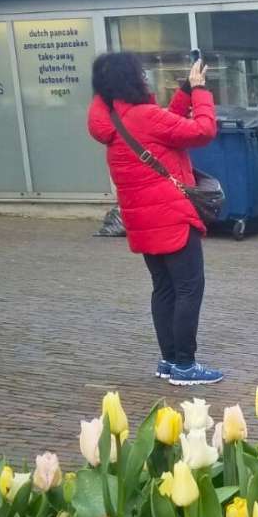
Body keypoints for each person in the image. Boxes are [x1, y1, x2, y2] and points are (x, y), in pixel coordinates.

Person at [88, 52, 223, 386]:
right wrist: (202, 92)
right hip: (172, 218)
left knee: (164, 289)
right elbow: (203, 130)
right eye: (141, 74)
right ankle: (186, 366)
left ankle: (169, 360)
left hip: (143, 223)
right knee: (189, 289)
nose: (145, 78)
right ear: (131, 79)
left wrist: (185, 91)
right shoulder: (144, 117)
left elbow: (167, 126)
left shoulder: (117, 120)